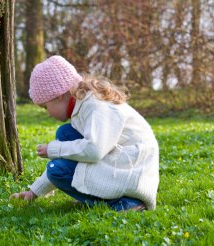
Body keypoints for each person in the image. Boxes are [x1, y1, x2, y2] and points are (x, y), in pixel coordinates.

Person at [10, 55, 159, 211]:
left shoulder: (96, 107)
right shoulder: (83, 105)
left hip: (130, 173)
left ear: (59, 96)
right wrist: (34, 192)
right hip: (117, 162)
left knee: (57, 168)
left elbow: (94, 150)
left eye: (46, 107)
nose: (48, 113)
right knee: (65, 134)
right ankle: (100, 196)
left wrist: (54, 149)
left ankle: (126, 203)